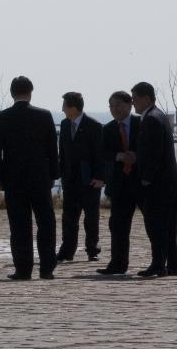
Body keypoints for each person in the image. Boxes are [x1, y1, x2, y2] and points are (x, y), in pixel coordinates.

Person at [0, 76, 58, 280]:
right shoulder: (44, 116)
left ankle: (23, 268)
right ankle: (47, 268)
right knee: (46, 223)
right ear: (31, 91)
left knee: (19, 226)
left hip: (13, 178)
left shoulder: (1, 117)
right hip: (40, 178)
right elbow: (52, 148)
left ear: (11, 93)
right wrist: (54, 174)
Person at [131, 81, 177, 277]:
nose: (133, 103)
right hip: (168, 181)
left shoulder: (150, 119)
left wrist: (146, 178)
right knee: (168, 226)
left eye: (135, 99)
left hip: (157, 183)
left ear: (146, 98)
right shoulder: (160, 116)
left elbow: (154, 152)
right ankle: (173, 263)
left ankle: (158, 263)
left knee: (156, 225)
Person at [55, 91, 105, 263]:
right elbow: (62, 152)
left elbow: (100, 154)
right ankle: (67, 250)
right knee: (69, 217)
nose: (62, 110)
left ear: (73, 108)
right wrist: (60, 173)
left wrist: (100, 177)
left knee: (91, 217)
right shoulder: (65, 124)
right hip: (70, 180)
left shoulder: (94, 126)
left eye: (64, 106)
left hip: (89, 180)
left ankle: (92, 249)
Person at [98, 91, 142, 275]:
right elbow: (102, 152)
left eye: (118, 105)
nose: (114, 109)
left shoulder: (142, 124)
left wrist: (136, 156)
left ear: (130, 104)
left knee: (155, 224)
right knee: (118, 226)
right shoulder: (107, 129)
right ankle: (118, 263)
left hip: (141, 182)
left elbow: (153, 147)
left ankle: (162, 260)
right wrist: (119, 156)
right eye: (111, 106)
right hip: (119, 184)